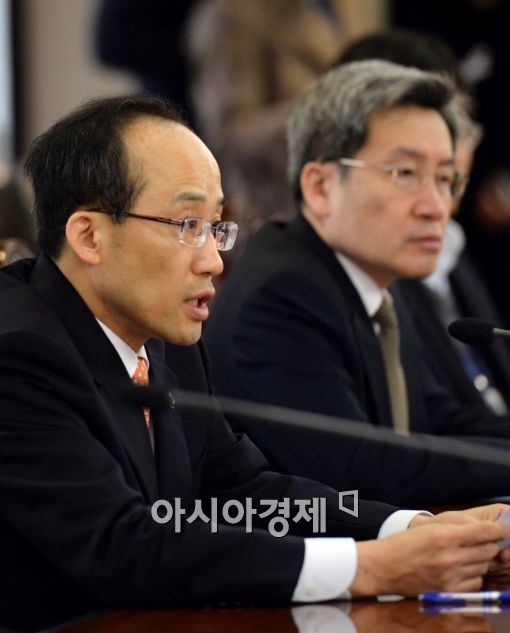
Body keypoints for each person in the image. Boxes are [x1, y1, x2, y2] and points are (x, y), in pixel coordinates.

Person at [3, 95, 508, 629]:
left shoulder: (167, 337)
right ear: (89, 236)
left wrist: (408, 530)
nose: (213, 261)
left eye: (215, 226)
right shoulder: (19, 355)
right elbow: (124, 546)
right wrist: (371, 567)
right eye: (187, 224)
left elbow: (241, 493)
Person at [205, 60, 510, 507]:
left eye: (446, 179)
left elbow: (438, 419)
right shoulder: (280, 296)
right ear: (320, 187)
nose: (436, 206)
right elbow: (365, 473)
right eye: (405, 173)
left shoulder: (375, 279)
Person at [334, 29, 510, 416]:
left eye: (462, 127)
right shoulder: (365, 269)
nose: (456, 152)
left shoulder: (453, 245)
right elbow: (432, 427)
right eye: (442, 126)